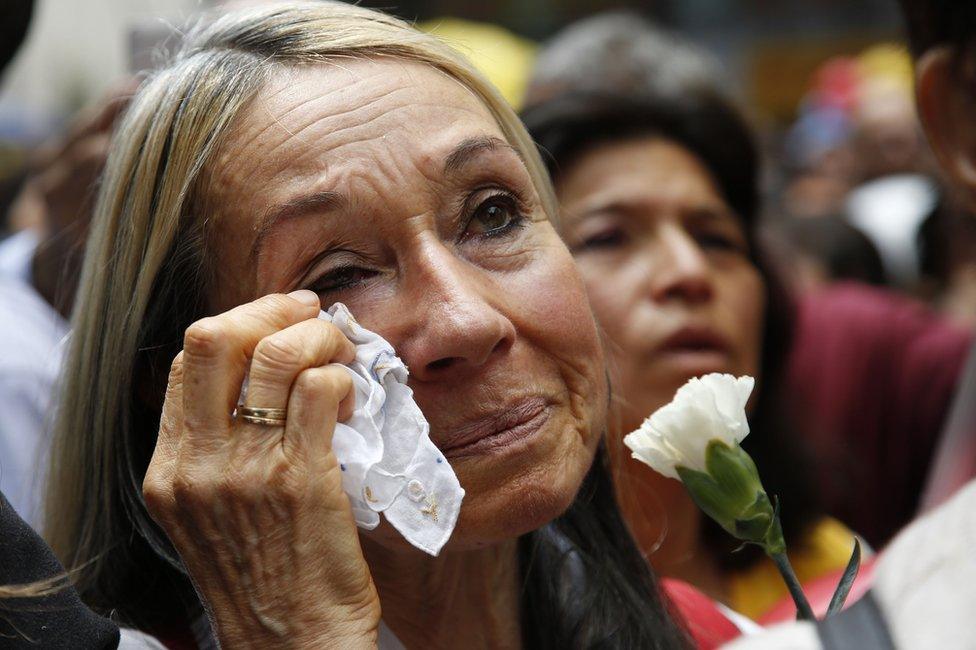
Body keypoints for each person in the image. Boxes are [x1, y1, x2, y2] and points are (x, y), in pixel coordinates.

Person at [42, 3, 699, 647]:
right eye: (339, 276)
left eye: (494, 214)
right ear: (180, 385)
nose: (467, 322)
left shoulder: (715, 634)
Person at [522, 90, 857, 621]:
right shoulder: (499, 616)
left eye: (716, 239)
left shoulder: (831, 570)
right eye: (609, 237)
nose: (690, 272)